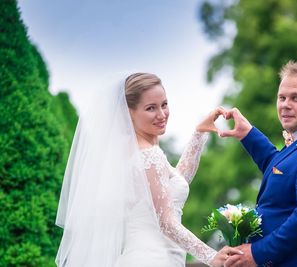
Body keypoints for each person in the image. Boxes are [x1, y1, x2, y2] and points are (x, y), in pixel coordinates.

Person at [55, 73, 241, 267]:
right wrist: (211, 256)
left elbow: (177, 182)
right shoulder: (149, 156)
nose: (162, 114)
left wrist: (199, 133)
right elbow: (167, 223)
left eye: (164, 104)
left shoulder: (137, 154)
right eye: (151, 108)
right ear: (129, 113)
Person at [219, 61, 297, 267]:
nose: (285, 104)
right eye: (282, 97)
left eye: (296, 98)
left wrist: (257, 254)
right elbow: (282, 171)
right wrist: (248, 134)